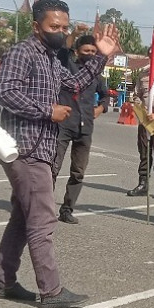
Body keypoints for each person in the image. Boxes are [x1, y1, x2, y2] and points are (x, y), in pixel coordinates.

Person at [0, 0, 117, 308]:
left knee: (22, 218)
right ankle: (51, 291)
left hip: (40, 148)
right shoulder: (24, 51)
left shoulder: (50, 57)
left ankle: (4, 282)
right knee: (43, 220)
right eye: (54, 27)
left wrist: (100, 56)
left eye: (65, 27)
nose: (61, 32)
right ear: (37, 27)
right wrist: (47, 110)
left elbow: (74, 83)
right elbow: (4, 91)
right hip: (27, 148)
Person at [51, 34, 108, 224]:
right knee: (53, 168)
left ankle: (67, 209)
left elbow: (106, 96)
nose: (90, 55)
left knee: (78, 171)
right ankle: (43, 207)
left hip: (85, 128)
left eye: (94, 51)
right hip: (64, 124)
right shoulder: (68, 66)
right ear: (77, 52)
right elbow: (62, 51)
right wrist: (72, 35)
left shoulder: (97, 76)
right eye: (86, 51)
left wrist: (100, 108)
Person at [128, 73, 154, 199]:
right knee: (144, 152)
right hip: (145, 120)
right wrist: (142, 111)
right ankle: (143, 184)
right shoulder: (143, 75)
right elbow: (136, 96)